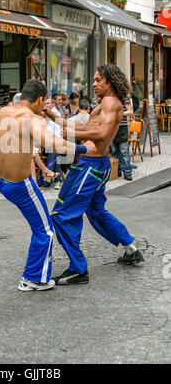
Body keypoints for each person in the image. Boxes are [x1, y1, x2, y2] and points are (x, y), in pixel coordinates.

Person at [0, 79, 95, 292]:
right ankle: (34, 279)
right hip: (18, 185)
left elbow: (12, 141)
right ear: (39, 100)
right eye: (44, 103)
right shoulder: (32, 119)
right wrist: (84, 149)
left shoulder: (3, 111)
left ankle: (35, 275)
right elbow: (51, 143)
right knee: (45, 231)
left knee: (42, 223)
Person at [45, 64, 144, 286]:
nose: (94, 83)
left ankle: (78, 269)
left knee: (62, 214)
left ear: (110, 81)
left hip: (91, 166)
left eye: (98, 80)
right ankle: (130, 248)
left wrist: (69, 132)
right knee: (97, 211)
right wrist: (55, 118)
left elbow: (102, 133)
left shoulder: (110, 102)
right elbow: (85, 127)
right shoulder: (106, 103)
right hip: (97, 164)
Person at [110, 96, 134, 181]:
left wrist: (118, 113)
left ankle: (127, 172)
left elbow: (130, 112)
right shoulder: (110, 97)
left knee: (124, 151)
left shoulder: (124, 97)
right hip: (112, 127)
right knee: (114, 151)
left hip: (122, 127)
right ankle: (117, 170)